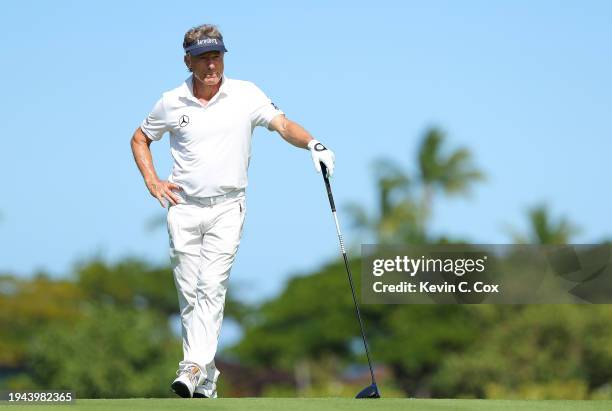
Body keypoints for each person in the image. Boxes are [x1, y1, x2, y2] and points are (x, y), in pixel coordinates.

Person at [130, 24, 335, 399]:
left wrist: (314, 144)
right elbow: (141, 137)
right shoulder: (171, 101)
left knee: (211, 286)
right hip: (183, 207)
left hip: (227, 206)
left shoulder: (245, 94)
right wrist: (152, 180)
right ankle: (206, 378)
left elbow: (283, 125)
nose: (212, 65)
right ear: (187, 60)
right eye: (204, 57)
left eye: (217, 55)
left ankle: (191, 366)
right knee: (189, 292)